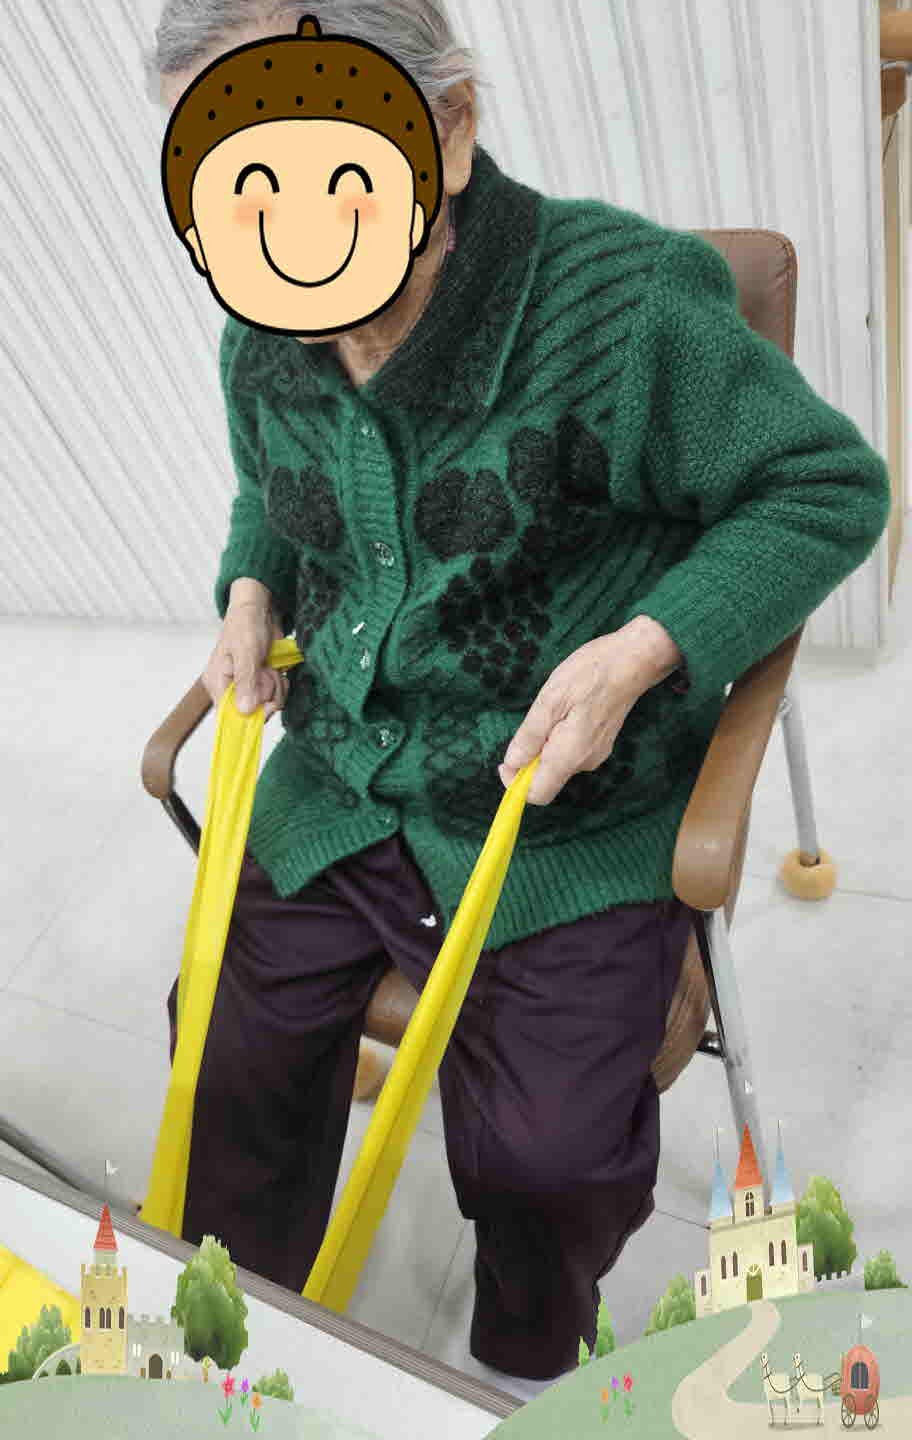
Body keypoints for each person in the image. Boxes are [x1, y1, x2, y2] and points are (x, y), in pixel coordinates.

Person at [144, 0, 890, 1395]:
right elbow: (269, 490)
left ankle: (523, 1370)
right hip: (344, 782)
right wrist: (251, 584)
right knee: (225, 1069)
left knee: (545, 1161)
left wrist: (646, 650)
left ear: (451, 125)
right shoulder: (264, 328)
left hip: (560, 807)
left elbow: (825, 488)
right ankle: (236, 1355)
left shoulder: (621, 308)